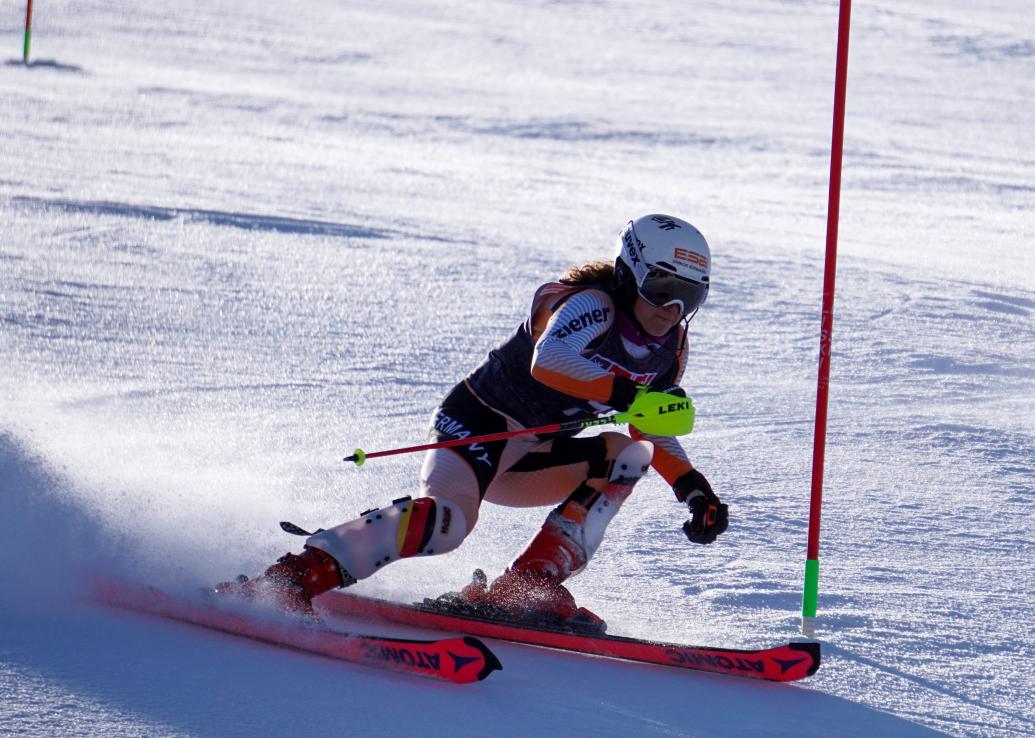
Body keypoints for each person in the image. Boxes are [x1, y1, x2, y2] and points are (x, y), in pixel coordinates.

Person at [224, 214, 729, 627]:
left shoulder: (670, 351)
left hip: (532, 455)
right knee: (447, 524)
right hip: (478, 426)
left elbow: (650, 426)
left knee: (627, 454)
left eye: (690, 296)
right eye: (662, 286)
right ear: (629, 273)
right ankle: (289, 579)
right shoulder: (590, 306)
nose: (673, 308)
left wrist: (694, 490)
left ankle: (527, 586)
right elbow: (549, 361)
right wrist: (628, 394)